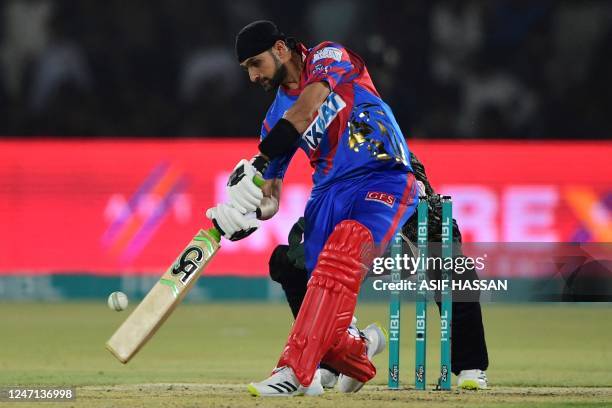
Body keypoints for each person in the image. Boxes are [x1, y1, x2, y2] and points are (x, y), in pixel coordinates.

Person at [206, 20, 417, 396]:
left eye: (257, 63)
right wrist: (250, 209)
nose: (254, 76)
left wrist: (260, 157)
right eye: (247, 70)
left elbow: (307, 108)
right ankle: (362, 350)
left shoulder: (326, 56)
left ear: (281, 50)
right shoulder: (273, 119)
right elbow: (271, 193)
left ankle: (294, 372)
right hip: (327, 194)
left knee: (348, 243)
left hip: (382, 174)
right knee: (325, 307)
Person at [270, 152, 490, 390]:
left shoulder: (396, 157)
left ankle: (470, 366)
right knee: (287, 262)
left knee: (458, 269)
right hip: (356, 248)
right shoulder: (333, 167)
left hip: (409, 245)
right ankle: (334, 357)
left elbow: (435, 218)